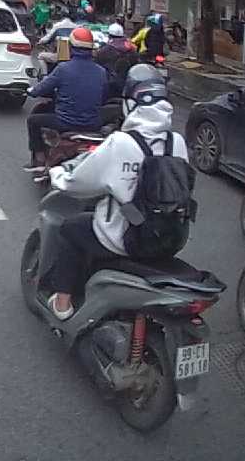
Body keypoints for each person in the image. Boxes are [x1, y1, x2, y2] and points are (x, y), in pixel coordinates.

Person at [41, 64, 188, 319]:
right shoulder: (177, 142)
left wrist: (57, 175)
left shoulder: (121, 142)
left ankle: (62, 304)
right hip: (169, 237)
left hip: (122, 239)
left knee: (71, 229)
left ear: (130, 104)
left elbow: (80, 183)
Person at [23, 27, 107, 172]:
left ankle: (39, 160)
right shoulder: (101, 71)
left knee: (33, 120)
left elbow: (40, 90)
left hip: (66, 122)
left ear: (71, 47)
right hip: (93, 124)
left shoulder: (63, 68)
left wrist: (31, 91)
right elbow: (104, 96)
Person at [94, 22, 139, 98]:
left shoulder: (105, 50)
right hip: (128, 85)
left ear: (109, 35)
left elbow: (97, 65)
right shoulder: (132, 49)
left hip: (111, 86)